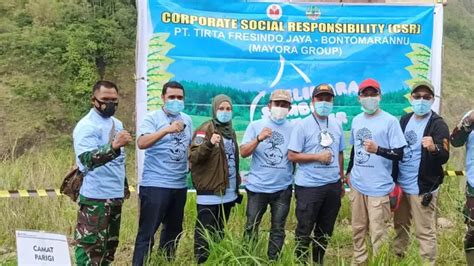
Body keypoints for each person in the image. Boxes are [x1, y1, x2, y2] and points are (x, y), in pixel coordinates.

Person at [346, 78, 407, 265]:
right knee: (357, 229)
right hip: (357, 186)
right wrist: (348, 173)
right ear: (359, 98)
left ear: (379, 96)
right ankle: (359, 261)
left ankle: (380, 262)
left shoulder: (390, 121)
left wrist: (378, 150)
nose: (369, 98)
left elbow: (399, 153)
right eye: (365, 94)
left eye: (373, 94)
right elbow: (355, 150)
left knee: (378, 233)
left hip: (379, 189)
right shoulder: (356, 120)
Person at [133, 81, 193, 265]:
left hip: (179, 185)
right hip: (155, 185)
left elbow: (189, 146)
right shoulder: (152, 118)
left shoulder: (187, 120)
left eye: (180, 97)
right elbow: (141, 143)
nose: (176, 101)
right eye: (172, 97)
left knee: (173, 232)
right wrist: (166, 129)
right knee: (147, 232)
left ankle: (165, 262)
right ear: (163, 98)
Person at [73, 80, 132, 265]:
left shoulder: (117, 123)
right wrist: (114, 145)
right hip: (95, 199)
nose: (111, 103)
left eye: (114, 99)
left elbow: (119, 160)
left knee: (109, 249)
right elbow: (87, 159)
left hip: (114, 196)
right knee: (90, 250)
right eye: (105, 99)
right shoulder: (86, 126)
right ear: (94, 100)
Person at [392, 81, 450, 265]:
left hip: (423, 187)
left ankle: (428, 263)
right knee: (400, 227)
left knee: (424, 231)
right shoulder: (404, 120)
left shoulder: (438, 124)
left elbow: (445, 155)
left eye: (426, 97)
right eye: (417, 96)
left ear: (432, 99)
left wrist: (434, 148)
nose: (421, 100)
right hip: (402, 186)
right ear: (411, 98)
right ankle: (398, 259)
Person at [288, 84, 345, 264]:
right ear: (313, 101)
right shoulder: (302, 125)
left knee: (326, 228)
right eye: (320, 98)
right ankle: (301, 261)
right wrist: (317, 157)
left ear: (332, 101)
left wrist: (341, 179)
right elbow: (292, 155)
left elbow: (341, 152)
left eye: (327, 99)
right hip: (309, 187)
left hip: (332, 185)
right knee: (305, 228)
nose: (324, 102)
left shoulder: (336, 124)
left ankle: (318, 260)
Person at [240, 89, 294, 261]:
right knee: (251, 226)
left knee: (278, 228)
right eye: (277, 104)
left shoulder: (294, 128)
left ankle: (274, 260)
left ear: (290, 108)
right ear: (269, 105)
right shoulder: (255, 125)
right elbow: (243, 152)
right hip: (257, 188)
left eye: (284, 105)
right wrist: (258, 139)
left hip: (282, 189)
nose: (280, 107)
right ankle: (248, 258)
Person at [189, 94, 242, 264]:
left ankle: (216, 260)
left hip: (227, 191)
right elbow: (193, 157)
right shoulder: (205, 129)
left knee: (219, 231)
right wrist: (209, 144)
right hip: (209, 192)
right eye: (221, 108)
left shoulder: (230, 131)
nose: (225, 112)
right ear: (214, 109)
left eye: (228, 109)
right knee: (205, 232)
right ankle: (202, 262)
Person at [450, 109, 474, 265]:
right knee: (473, 232)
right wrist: (470, 121)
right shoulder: (470, 116)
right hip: (473, 187)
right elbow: (455, 141)